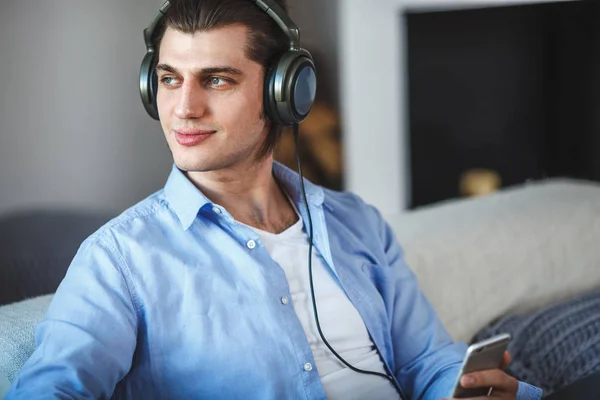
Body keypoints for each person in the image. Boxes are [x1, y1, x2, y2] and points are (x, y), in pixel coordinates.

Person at [6, 1, 543, 399]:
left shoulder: (356, 222)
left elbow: (426, 360)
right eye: (169, 79)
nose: (183, 108)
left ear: (284, 93)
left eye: (215, 80)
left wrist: (469, 385)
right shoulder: (119, 259)